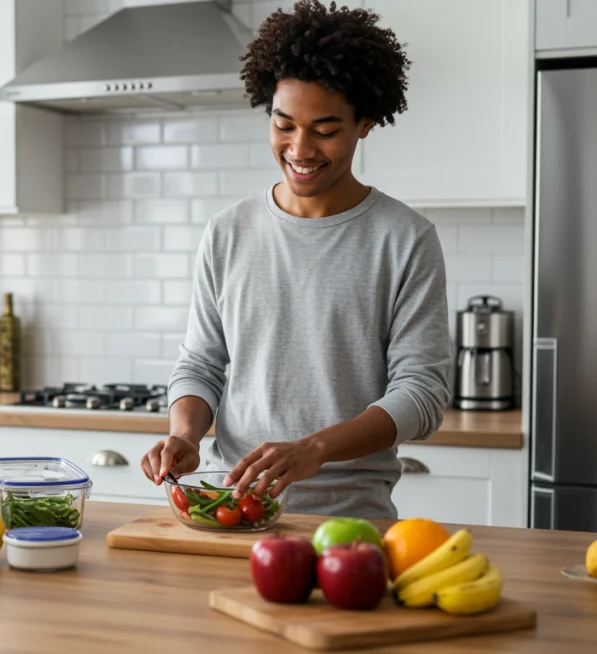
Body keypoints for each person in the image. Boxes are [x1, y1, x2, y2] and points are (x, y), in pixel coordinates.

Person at [139, 0, 452, 519]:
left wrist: (315, 449)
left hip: (350, 521)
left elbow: (421, 394)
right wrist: (185, 433)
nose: (299, 148)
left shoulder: (405, 239)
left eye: (325, 130)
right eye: (284, 125)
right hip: (231, 512)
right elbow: (201, 362)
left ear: (365, 123)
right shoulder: (227, 231)